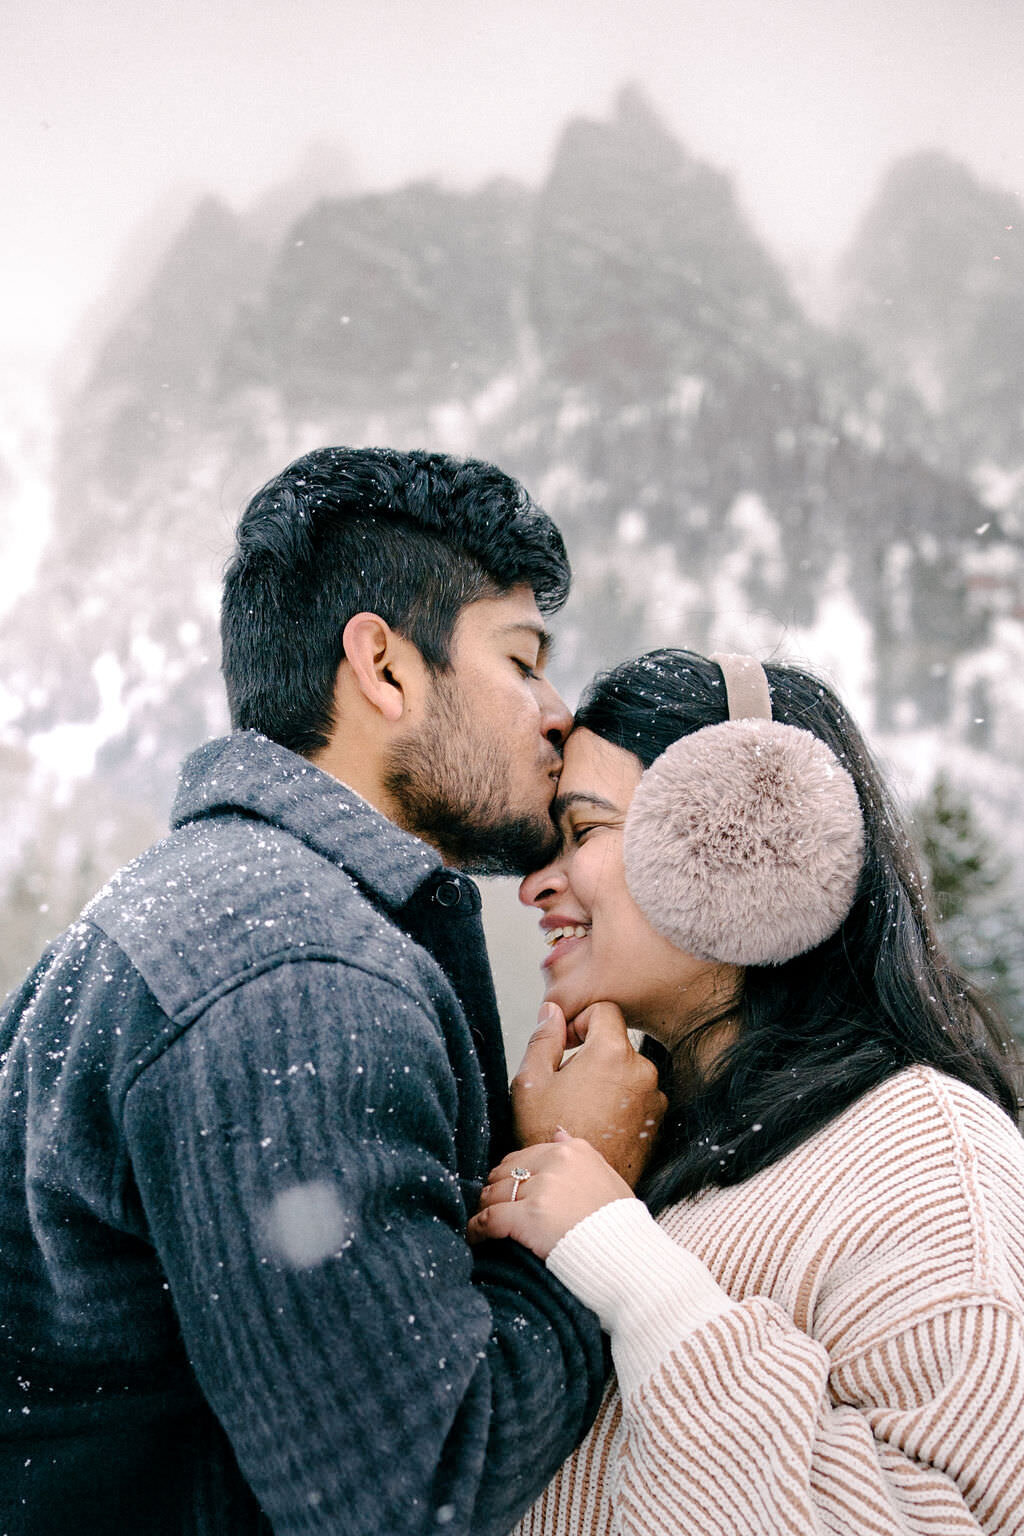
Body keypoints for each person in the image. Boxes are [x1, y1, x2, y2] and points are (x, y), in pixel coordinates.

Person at [0, 447, 665, 1536]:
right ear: (384, 667)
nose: (555, 712)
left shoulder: (202, 908)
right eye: (522, 660)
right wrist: (582, 1201)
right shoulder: (298, 980)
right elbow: (413, 1496)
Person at [471, 648, 1024, 1536]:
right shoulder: (632, 1135)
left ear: (744, 838)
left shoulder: (926, 1160)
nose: (535, 884)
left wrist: (640, 1280)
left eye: (581, 832)